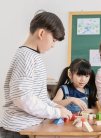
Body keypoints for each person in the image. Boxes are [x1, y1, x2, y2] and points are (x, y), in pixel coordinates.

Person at [0, 10, 72, 138]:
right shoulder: (26, 56)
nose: (53, 45)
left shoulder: (33, 56)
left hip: (24, 129)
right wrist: (55, 112)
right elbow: (23, 97)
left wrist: (55, 106)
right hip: (17, 130)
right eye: (53, 40)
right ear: (41, 33)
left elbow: (39, 98)